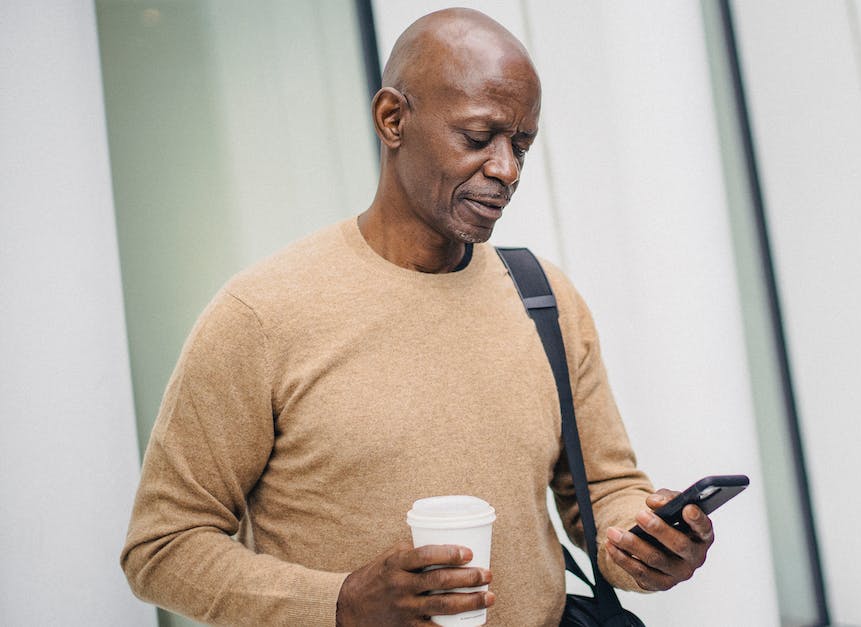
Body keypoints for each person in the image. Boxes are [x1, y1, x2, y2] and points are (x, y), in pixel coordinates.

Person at [121, 8, 716, 626]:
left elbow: (604, 491)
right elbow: (163, 548)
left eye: (522, 145)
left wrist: (645, 545)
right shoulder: (262, 315)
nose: (507, 170)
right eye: (478, 138)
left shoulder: (543, 298)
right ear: (392, 119)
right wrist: (341, 602)